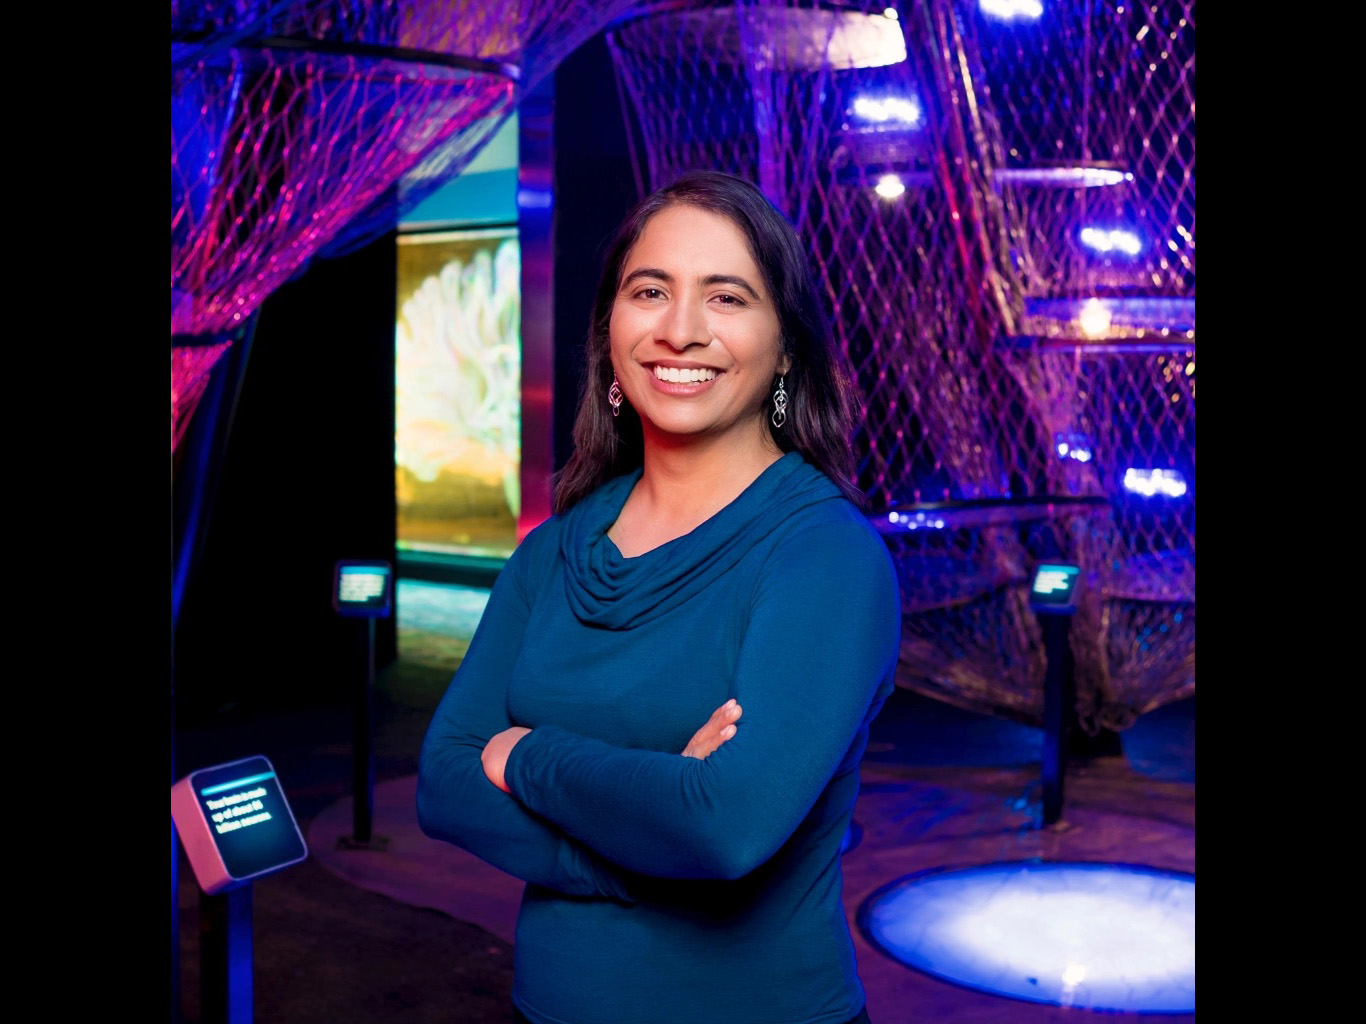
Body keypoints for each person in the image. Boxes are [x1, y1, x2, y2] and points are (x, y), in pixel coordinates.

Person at [416, 170, 902, 1024]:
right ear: (610, 330)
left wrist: (528, 755)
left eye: (727, 298)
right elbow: (445, 783)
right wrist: (641, 829)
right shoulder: (556, 551)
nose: (681, 331)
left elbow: (722, 828)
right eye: (651, 291)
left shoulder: (825, 557)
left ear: (785, 347)